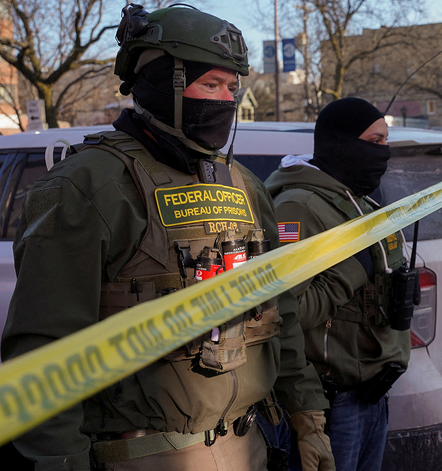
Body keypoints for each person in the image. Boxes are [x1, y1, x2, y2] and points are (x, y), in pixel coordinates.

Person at [0, 5, 333, 470]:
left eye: (232, 88)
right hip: (142, 454)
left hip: (249, 444)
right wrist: (60, 460)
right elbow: (43, 348)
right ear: (162, 82)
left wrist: (308, 417)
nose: (226, 101)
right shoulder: (87, 185)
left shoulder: (243, 185)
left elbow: (282, 312)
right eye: (210, 84)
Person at [265, 97, 410, 471]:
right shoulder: (298, 207)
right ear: (342, 143)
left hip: (373, 393)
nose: (384, 152)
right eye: (374, 142)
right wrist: (350, 271)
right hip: (332, 403)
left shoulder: (359, 202)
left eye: (385, 142)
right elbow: (283, 312)